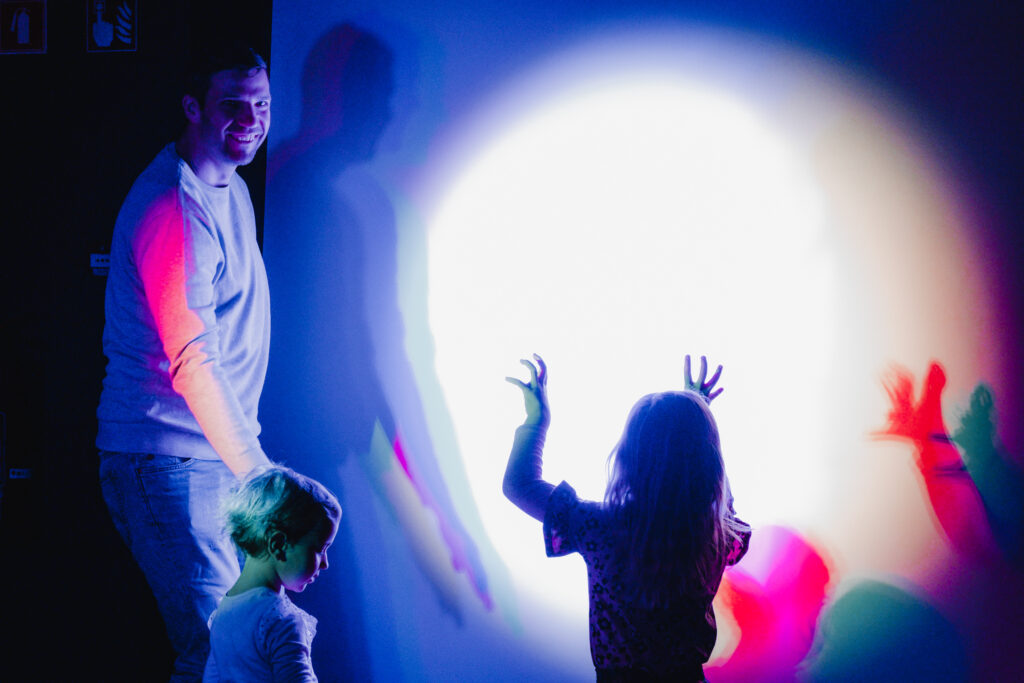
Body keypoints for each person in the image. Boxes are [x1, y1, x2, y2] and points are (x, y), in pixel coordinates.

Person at [96, 43, 273, 680]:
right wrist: (260, 473)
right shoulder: (174, 204)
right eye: (234, 105)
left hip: (208, 458)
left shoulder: (232, 188)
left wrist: (247, 464)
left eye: (262, 104)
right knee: (221, 656)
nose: (251, 120)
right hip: (168, 460)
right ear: (193, 107)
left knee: (236, 653)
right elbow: (193, 358)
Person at [503, 354, 751, 682]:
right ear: (709, 461)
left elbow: (520, 485)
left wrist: (536, 422)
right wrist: (696, 415)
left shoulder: (599, 528)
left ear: (626, 459)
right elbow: (714, 491)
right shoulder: (717, 535)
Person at [204, 466, 341, 682]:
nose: (325, 563)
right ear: (278, 544)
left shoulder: (223, 611)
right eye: (320, 549)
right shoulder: (280, 620)